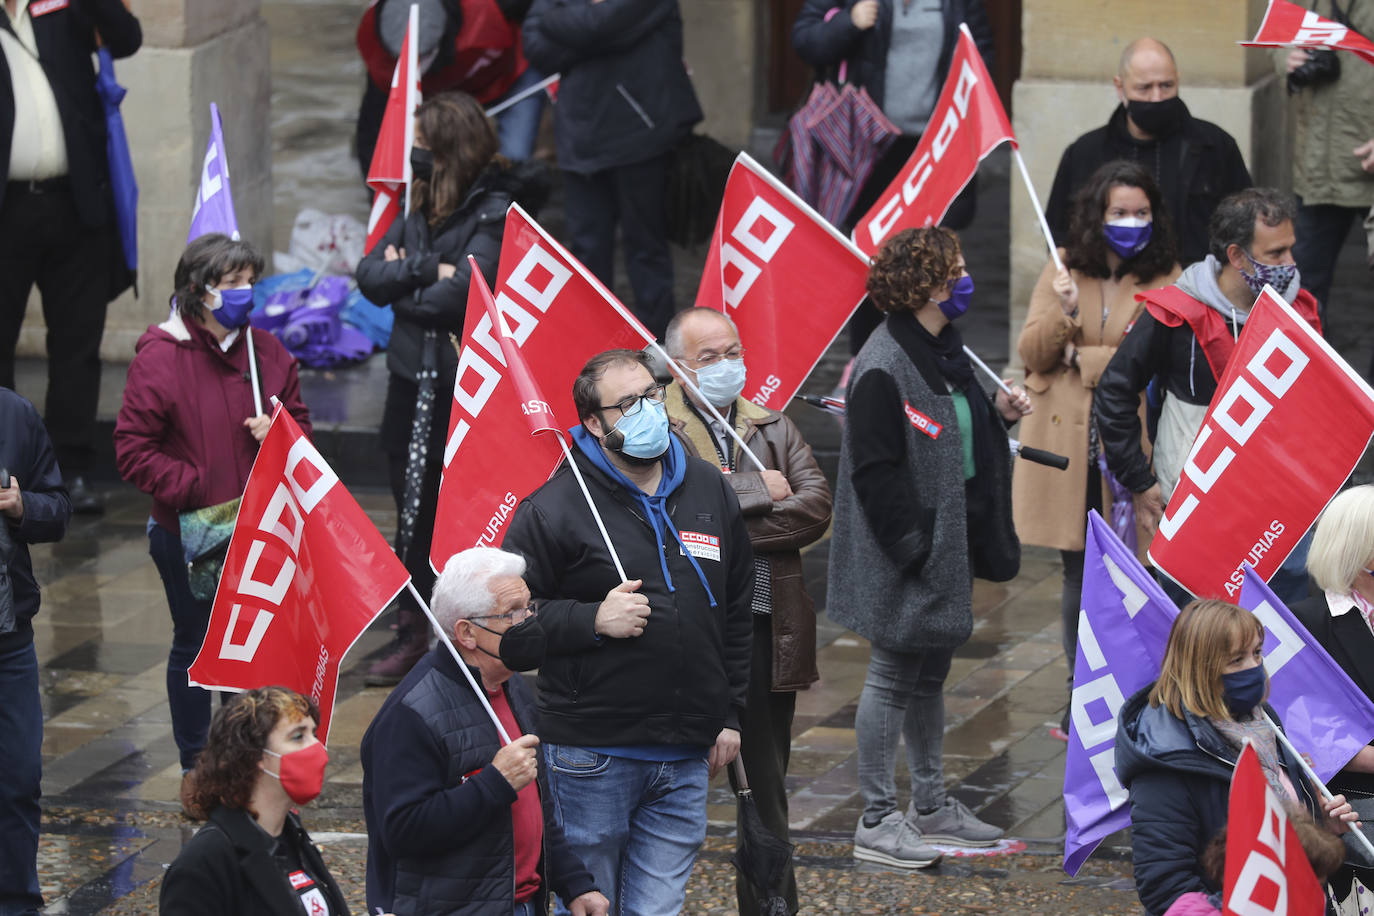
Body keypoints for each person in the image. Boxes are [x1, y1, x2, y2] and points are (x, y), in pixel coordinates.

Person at [502, 349, 754, 915]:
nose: (649, 412)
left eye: (652, 396)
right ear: (594, 423)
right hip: (594, 755)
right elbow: (510, 630)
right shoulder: (555, 507)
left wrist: (730, 713)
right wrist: (590, 618)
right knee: (589, 905)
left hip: (688, 751)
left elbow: (735, 611)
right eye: (628, 404)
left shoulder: (709, 490)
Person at [828, 226, 1030, 868]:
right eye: (957, 271)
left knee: (930, 674)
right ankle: (878, 818)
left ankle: (933, 805)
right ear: (926, 285)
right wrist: (912, 547)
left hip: (948, 543)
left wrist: (998, 415)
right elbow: (875, 472)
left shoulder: (945, 350)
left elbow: (951, 434)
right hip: (911, 551)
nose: (966, 281)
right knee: (892, 677)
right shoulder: (885, 364)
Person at [113, 234, 312, 812]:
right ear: (198, 293)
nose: (245, 293)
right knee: (199, 648)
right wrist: (196, 487)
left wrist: (280, 433)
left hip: (260, 530)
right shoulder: (161, 356)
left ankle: (246, 768)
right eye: (232, 285)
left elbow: (299, 427)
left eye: (251, 280)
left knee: (252, 655)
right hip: (192, 530)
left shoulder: (268, 353)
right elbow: (132, 448)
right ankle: (195, 767)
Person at [356, 91, 546, 686]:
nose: (411, 154)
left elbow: (463, 293)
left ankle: (450, 630)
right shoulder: (419, 204)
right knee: (407, 516)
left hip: (457, 394)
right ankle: (413, 628)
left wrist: (409, 280)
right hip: (408, 382)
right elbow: (368, 275)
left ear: (447, 150)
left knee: (445, 516)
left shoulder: (493, 208)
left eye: (422, 143)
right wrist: (421, 270)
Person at [662, 307, 833, 916]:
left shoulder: (772, 425)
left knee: (763, 782)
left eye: (733, 351)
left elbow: (816, 508)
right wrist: (764, 492)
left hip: (765, 627)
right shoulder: (661, 427)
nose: (727, 365)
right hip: (687, 632)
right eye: (709, 357)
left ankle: (770, 903)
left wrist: (725, 526)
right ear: (679, 369)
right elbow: (675, 512)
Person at [1011, 160, 1180, 725]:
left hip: (1126, 449)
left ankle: (1134, 684)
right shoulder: (1062, 268)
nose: (1131, 222)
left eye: (1141, 213)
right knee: (1076, 573)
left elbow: (1155, 358)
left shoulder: (1167, 276)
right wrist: (1063, 315)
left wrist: (1081, 357)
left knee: (1135, 570)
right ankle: (1078, 686)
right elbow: (1032, 353)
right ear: (1096, 215)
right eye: (1119, 213)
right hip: (1067, 453)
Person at [1094, 188, 1321, 604]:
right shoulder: (1176, 313)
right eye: (1275, 253)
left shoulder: (1300, 311)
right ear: (1236, 256)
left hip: (1281, 514)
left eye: (1291, 249)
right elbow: (1114, 391)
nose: (1290, 263)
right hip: (1198, 513)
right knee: (1196, 642)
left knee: (1282, 641)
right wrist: (1140, 482)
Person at [361, 547, 609, 916]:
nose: (528, 621)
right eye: (512, 613)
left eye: (528, 607)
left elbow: (536, 807)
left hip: (523, 903)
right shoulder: (411, 714)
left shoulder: (512, 688)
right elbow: (401, 831)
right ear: (467, 632)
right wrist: (494, 782)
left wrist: (574, 883)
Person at [1115, 599, 1359, 915]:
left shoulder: (1262, 720)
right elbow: (1165, 888)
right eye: (1236, 660)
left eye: (1257, 652)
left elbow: (1282, 828)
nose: (1253, 667)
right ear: (1200, 668)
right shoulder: (1166, 760)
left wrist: (1321, 827)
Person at [0, 0, 142, 514]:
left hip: (76, 202)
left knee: (78, 344)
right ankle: (6, 471)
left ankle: (69, 471)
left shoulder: (60, 7)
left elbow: (125, 37)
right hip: (6, 209)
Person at [791, 0, 994, 355]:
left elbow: (980, 59)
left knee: (931, 258)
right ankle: (868, 360)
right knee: (869, 257)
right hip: (869, 146)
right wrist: (849, 22)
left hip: (935, 148)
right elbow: (805, 40)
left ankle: (925, 358)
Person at [521, 0, 701, 339]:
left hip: (640, 134)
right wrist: (592, 34)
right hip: (579, 138)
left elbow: (599, 25)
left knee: (646, 249)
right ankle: (593, 347)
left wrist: (562, 23)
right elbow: (535, 43)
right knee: (586, 254)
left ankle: (659, 351)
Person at [1046, 37, 1251, 268]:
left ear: (1178, 81)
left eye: (1166, 86)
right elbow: (1058, 234)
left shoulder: (1215, 147)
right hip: (1111, 292)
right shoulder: (1085, 153)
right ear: (1120, 86)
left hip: (1193, 289)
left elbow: (1245, 228)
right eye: (1144, 88)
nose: (1156, 97)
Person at [160, 687, 360, 916]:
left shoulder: (291, 836)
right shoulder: (203, 864)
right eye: (298, 736)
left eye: (313, 733)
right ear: (255, 756)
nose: (316, 746)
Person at [0, 387, 69, 916]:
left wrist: (25, 507)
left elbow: (57, 507)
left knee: (20, 777)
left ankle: (18, 901)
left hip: (9, 639)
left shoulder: (13, 414)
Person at [355, 0, 547, 169]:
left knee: (515, 156)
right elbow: (373, 135)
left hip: (512, 78)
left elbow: (543, 15)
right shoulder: (383, 64)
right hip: (441, 96)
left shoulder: (487, 8)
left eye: (422, 57)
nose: (415, 65)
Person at [1278, 0, 1374, 319]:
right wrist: (1284, 58)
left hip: (1364, 160)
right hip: (1318, 169)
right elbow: (1275, 32)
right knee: (1304, 292)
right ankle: (1312, 368)